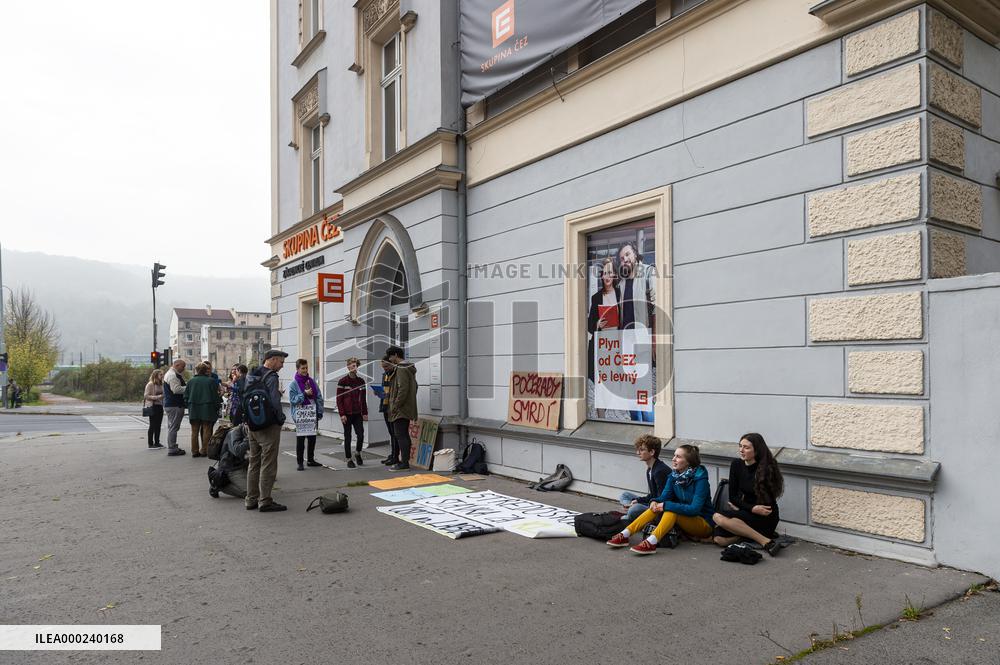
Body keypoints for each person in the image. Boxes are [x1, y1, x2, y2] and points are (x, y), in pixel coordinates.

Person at [607, 444, 713, 555]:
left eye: (678, 457)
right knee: (657, 507)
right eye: (674, 455)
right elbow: (663, 497)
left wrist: (665, 505)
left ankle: (651, 542)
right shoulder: (674, 476)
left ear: (688, 462)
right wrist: (655, 501)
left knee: (670, 509)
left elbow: (694, 509)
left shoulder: (700, 480)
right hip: (684, 518)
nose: (673, 459)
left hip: (703, 524)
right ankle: (625, 534)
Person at [713, 433, 785, 557]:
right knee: (719, 539)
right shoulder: (736, 465)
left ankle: (765, 541)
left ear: (756, 450)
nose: (741, 450)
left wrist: (745, 507)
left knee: (717, 516)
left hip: (765, 516)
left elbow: (765, 506)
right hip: (748, 510)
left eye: (746, 447)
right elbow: (733, 497)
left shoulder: (767, 468)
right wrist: (749, 508)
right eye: (740, 446)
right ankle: (759, 538)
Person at [245, 349, 288, 512]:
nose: (282, 366)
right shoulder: (271, 377)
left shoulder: (252, 374)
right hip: (268, 426)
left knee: (253, 462)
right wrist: (280, 419)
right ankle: (265, 501)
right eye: (281, 362)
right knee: (268, 463)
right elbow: (275, 402)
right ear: (273, 359)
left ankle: (251, 499)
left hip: (253, 424)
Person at [618, 240, 656, 424]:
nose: (625, 259)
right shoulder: (622, 282)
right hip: (627, 341)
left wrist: (654, 340)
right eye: (621, 257)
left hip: (643, 338)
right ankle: (635, 427)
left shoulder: (648, 272)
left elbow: (656, 308)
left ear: (635, 254)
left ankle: (649, 428)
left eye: (627, 254)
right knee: (631, 391)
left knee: (643, 391)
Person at [588, 257, 622, 420]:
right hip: (601, 346)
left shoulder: (621, 293)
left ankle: (613, 413)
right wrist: (597, 324)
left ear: (615, 275)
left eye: (610, 272)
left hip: (617, 344)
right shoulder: (596, 297)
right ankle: (601, 417)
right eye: (604, 273)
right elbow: (589, 325)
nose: (607, 276)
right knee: (600, 383)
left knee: (614, 382)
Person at [617, 435, 669, 521]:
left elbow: (661, 499)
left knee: (634, 509)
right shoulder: (650, 469)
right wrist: (638, 500)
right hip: (653, 501)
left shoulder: (660, 471)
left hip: (659, 508)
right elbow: (653, 495)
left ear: (652, 452)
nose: (638, 453)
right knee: (624, 495)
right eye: (638, 450)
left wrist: (638, 503)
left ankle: (630, 514)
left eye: (641, 450)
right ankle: (630, 512)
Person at [289, 358, 325, 471]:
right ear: (297, 369)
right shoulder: (293, 384)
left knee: (312, 438)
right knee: (300, 440)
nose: (305, 370)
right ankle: (300, 462)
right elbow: (293, 400)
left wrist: (319, 411)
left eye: (306, 368)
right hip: (301, 414)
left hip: (312, 413)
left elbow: (318, 396)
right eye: (302, 368)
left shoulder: (311, 381)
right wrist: (304, 394)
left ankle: (310, 460)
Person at [386, 345, 417, 471]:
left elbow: (402, 389)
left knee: (401, 435)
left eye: (390, 357)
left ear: (395, 355)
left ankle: (404, 463)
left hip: (401, 408)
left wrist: (396, 405)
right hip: (406, 406)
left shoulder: (401, 369)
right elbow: (414, 386)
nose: (389, 359)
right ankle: (405, 461)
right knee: (403, 434)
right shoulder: (407, 368)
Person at [184, 362, 222, 458]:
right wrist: (217, 406)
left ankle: (194, 451)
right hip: (207, 408)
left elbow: (185, 396)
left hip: (194, 408)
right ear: (206, 370)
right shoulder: (211, 381)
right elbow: (215, 396)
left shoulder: (190, 381)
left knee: (194, 431)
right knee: (207, 430)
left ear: (196, 370)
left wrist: (189, 405)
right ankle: (204, 450)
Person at [336, 357, 368, 468]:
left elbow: (363, 399)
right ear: (348, 367)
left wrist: (365, 412)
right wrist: (342, 414)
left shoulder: (361, 381)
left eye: (356, 366)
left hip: (357, 413)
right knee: (348, 436)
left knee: (361, 435)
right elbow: (339, 399)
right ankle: (349, 459)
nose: (354, 368)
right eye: (352, 366)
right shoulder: (343, 381)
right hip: (347, 414)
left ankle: (358, 453)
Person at [209, 423, 251, 499]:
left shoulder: (251, 431)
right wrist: (248, 438)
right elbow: (238, 451)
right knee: (250, 493)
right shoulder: (234, 432)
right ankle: (219, 485)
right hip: (231, 468)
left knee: (255, 489)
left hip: (243, 464)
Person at [373, 355, 398, 466]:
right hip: (385, 406)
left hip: (393, 407)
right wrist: (378, 392)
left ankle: (395, 456)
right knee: (391, 433)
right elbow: (385, 390)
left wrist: (387, 394)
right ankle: (393, 454)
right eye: (383, 367)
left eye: (386, 366)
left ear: (392, 364)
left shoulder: (396, 374)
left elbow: (396, 391)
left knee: (395, 433)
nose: (385, 369)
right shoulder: (385, 375)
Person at [162, 359, 188, 457]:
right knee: (173, 427)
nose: (184, 369)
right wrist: (189, 387)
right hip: (175, 405)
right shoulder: (173, 375)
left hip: (171, 404)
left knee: (172, 427)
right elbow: (176, 390)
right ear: (177, 365)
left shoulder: (171, 374)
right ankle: (172, 448)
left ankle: (172, 446)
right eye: (183, 366)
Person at [143, 369, 166, 450]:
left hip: (160, 406)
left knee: (158, 425)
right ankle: (150, 443)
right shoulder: (150, 384)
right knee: (152, 425)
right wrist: (157, 397)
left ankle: (157, 442)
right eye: (161, 374)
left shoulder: (161, 384)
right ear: (156, 375)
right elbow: (146, 396)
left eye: (162, 374)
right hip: (153, 406)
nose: (162, 376)